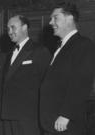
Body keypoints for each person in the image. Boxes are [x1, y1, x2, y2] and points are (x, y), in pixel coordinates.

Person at [40, 2, 95, 135]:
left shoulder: (83, 45)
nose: (51, 22)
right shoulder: (60, 47)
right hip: (52, 121)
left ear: (69, 18)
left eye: (55, 18)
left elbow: (81, 83)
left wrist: (66, 115)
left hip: (65, 123)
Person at [1, 15, 51, 135]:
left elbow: (47, 85)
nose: (10, 32)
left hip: (29, 115)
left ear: (24, 27)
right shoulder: (9, 54)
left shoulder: (40, 51)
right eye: (8, 29)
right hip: (8, 114)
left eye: (13, 27)